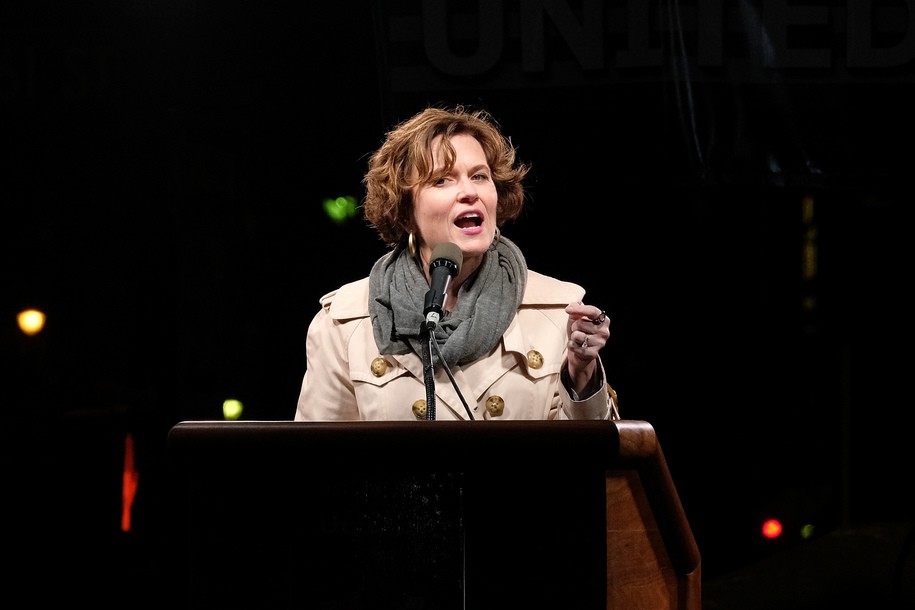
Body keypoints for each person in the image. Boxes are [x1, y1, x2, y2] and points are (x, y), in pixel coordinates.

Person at [295, 105, 619, 421]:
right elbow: (320, 462)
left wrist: (581, 374)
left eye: (479, 176)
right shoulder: (346, 324)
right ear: (406, 213)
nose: (468, 192)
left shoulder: (556, 312)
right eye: (442, 181)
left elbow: (582, 463)